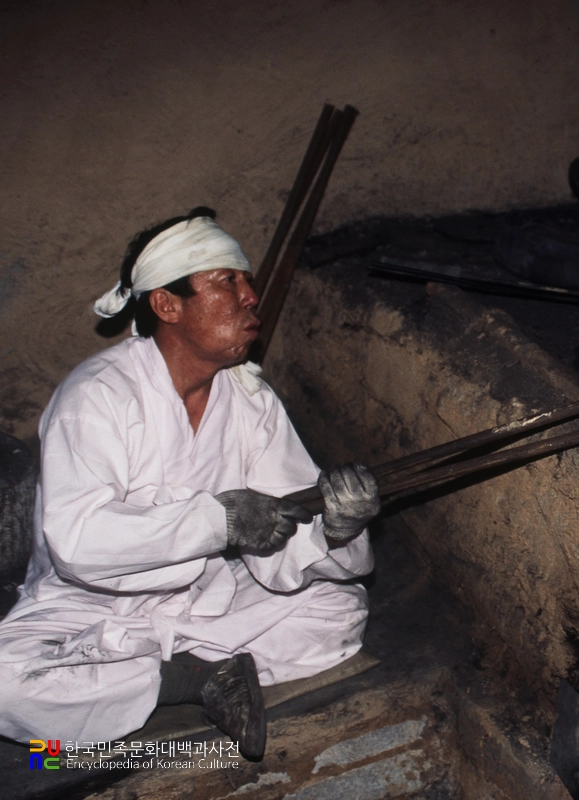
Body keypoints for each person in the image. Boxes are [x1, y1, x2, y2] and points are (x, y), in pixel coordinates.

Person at [0, 208, 379, 760]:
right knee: (6, 684)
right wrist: (219, 520)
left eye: (247, 281)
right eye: (228, 281)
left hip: (203, 596)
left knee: (338, 610)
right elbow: (78, 541)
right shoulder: (96, 396)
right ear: (167, 304)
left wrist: (336, 529)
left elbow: (287, 523)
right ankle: (191, 680)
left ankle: (162, 674)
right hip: (86, 606)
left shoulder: (249, 401)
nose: (251, 297)